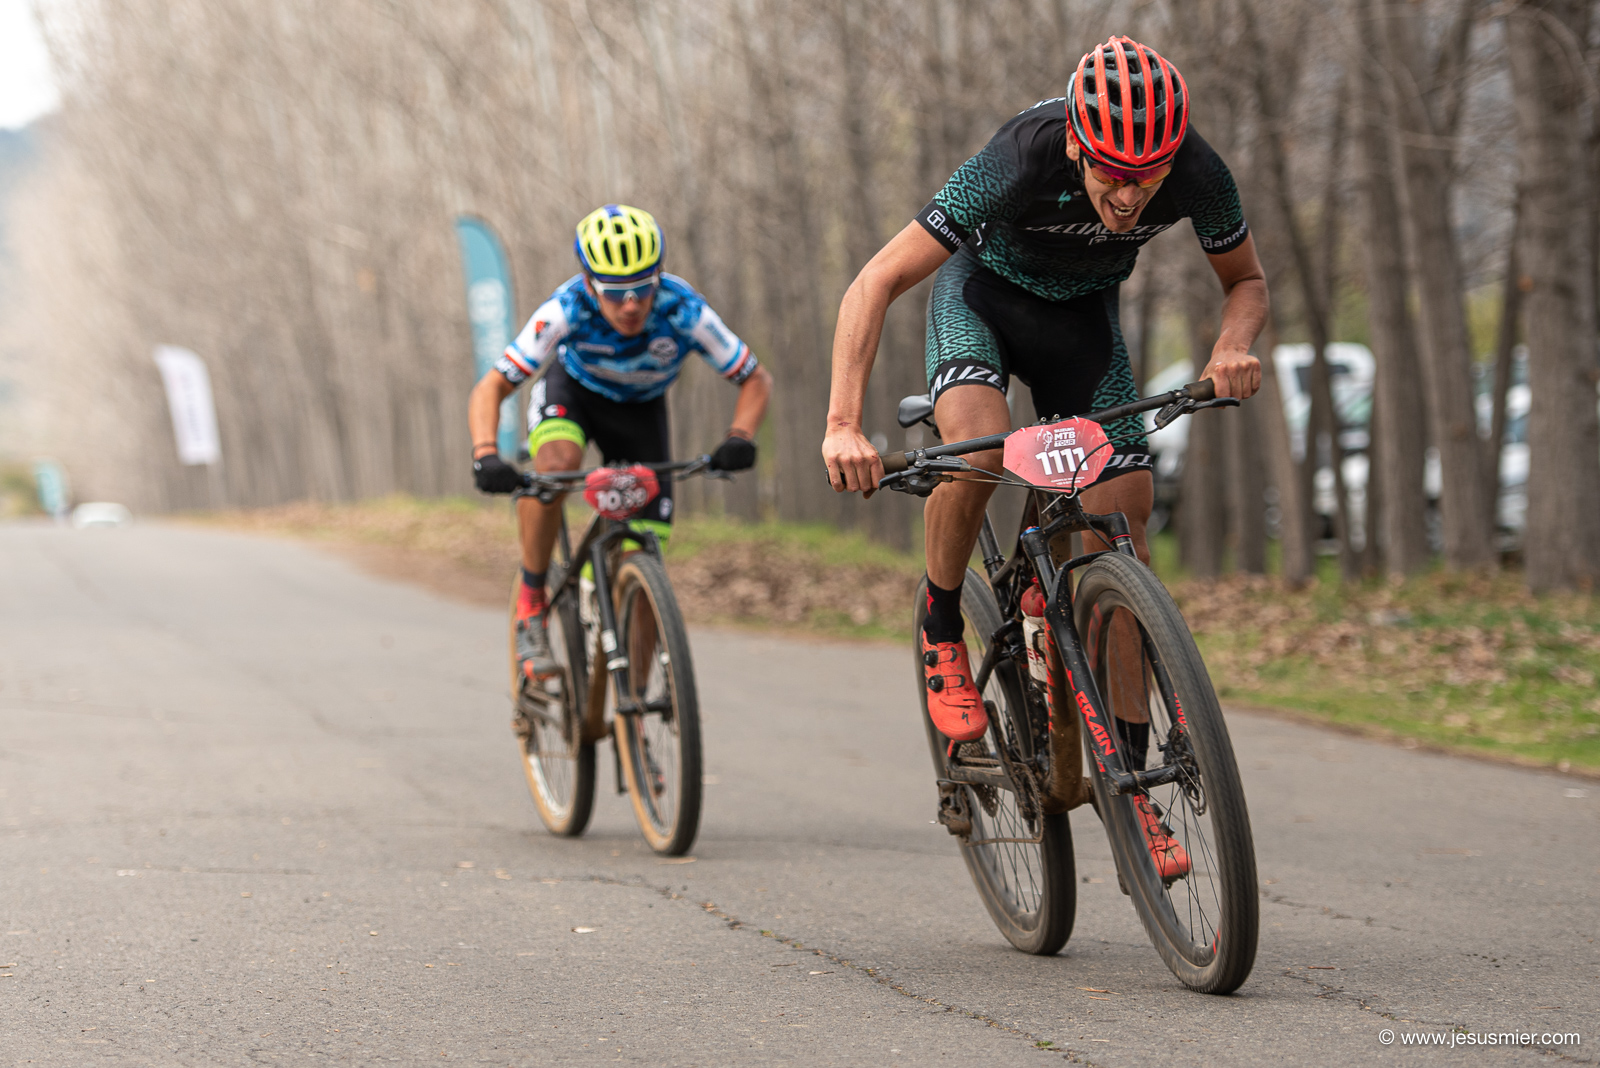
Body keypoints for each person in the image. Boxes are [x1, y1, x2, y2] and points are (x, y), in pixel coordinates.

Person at [820, 37, 1268, 877]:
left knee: (1120, 518)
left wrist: (1231, 346)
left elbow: (1245, 281)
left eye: (1149, 177)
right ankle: (941, 622)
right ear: (1076, 145)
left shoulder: (1198, 171)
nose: (1131, 197)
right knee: (978, 453)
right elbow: (874, 281)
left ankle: (1129, 775)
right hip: (980, 300)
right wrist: (843, 422)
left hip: (1082, 326)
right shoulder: (1018, 157)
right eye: (1111, 175)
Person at [469, 204, 772, 679]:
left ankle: (635, 717)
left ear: (659, 278)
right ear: (590, 285)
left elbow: (755, 379)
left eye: (642, 288)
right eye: (615, 292)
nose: (630, 304)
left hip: (641, 413)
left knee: (643, 561)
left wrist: (740, 437)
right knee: (555, 468)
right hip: (573, 395)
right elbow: (492, 386)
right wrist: (485, 452)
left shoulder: (683, 309)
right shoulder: (566, 308)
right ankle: (532, 603)